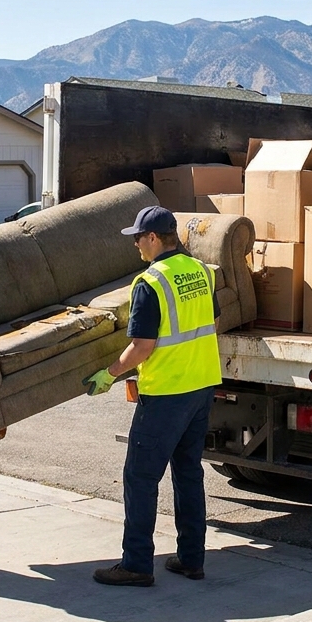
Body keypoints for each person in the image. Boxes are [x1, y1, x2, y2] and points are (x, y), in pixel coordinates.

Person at [83, 206, 222, 586]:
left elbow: (143, 346)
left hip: (165, 393)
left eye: (138, 239)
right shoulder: (201, 272)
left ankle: (137, 564)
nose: (135, 247)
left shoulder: (151, 282)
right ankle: (192, 559)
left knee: (140, 478)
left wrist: (109, 374)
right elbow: (213, 321)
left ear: (154, 239)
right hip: (202, 387)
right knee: (188, 473)